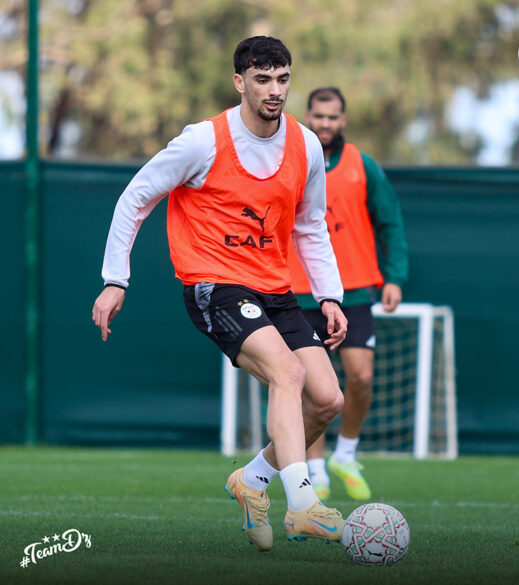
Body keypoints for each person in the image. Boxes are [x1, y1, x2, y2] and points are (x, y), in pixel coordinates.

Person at [91, 37, 349, 552]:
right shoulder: (202, 141)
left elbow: (311, 224)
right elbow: (135, 198)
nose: (274, 90)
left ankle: (251, 480)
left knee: (327, 400)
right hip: (214, 284)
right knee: (288, 373)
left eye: (282, 79)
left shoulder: (305, 145)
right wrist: (115, 279)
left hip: (275, 289)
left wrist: (329, 295)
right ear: (239, 82)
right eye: (262, 79)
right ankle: (302, 506)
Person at [288, 87, 408, 501]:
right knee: (312, 388)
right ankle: (316, 470)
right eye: (318, 116)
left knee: (361, 377)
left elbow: (391, 222)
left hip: (354, 289)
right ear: (307, 116)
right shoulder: (290, 157)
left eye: (332, 117)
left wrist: (395, 277)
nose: (325, 123)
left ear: (343, 120)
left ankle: (346, 454)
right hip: (300, 291)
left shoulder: (362, 165)